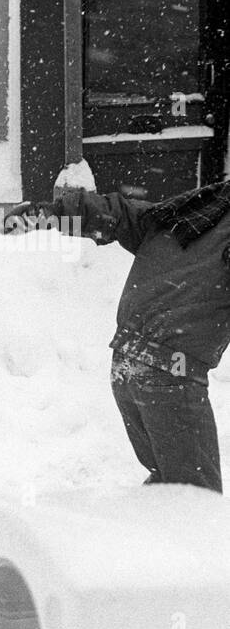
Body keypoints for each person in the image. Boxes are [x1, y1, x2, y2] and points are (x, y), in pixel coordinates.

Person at [12, 184, 230, 493]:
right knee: (197, 500)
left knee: (169, 483)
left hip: (127, 363)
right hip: (172, 374)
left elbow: (119, 215)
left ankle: (134, 535)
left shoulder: (193, 211)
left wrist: (54, 213)